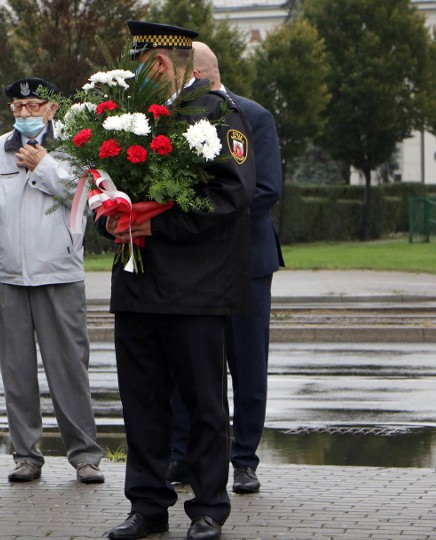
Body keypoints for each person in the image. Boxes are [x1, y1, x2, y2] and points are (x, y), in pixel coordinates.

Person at [103, 22, 256, 540]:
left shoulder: (219, 115)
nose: (135, 74)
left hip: (195, 290)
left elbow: (230, 199)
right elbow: (107, 183)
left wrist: (157, 222)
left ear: (161, 63)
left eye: (140, 63)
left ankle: (209, 506)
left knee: (204, 405)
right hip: (138, 286)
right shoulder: (131, 121)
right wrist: (110, 215)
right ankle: (147, 506)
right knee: (142, 404)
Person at [0, 78, 104, 484]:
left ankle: (84, 456)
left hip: (59, 273)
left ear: (50, 108)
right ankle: (26, 455)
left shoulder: (74, 147)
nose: (25, 114)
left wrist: (43, 164)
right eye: (18, 107)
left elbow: (84, 198)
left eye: (33, 106)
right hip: (11, 277)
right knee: (17, 371)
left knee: (69, 368)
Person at [168, 42, 285, 495]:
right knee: (189, 363)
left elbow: (267, 189)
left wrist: (205, 219)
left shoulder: (253, 116)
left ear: (198, 73)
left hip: (245, 262)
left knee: (247, 364)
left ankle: (244, 460)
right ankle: (184, 455)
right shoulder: (175, 118)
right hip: (194, 265)